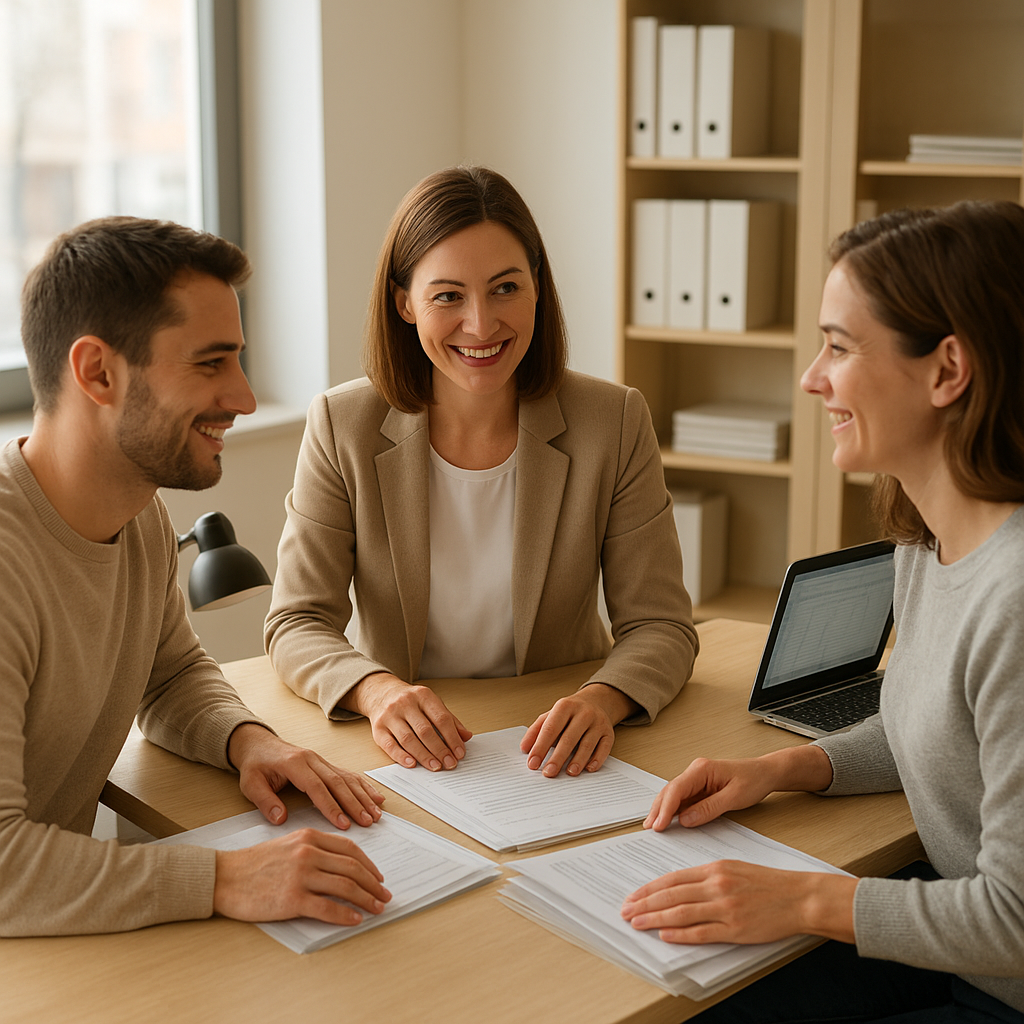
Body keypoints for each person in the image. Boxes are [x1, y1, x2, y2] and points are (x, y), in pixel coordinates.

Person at [620, 200, 1024, 1023]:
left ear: (948, 371)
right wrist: (780, 771)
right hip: (959, 953)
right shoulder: (928, 539)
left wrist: (803, 902)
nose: (811, 376)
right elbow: (941, 727)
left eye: (838, 346)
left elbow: (1014, 923)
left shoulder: (1014, 602)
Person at [0, 216, 391, 938]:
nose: (244, 397)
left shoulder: (138, 513)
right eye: (211, 363)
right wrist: (227, 877)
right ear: (98, 373)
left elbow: (171, 673)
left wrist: (250, 741)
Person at [265, 165, 697, 779]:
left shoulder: (614, 420)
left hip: (560, 752)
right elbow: (296, 621)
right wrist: (375, 691)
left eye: (504, 288)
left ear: (538, 288)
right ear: (404, 304)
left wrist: (606, 698)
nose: (480, 324)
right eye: (447, 296)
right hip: (413, 753)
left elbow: (662, 625)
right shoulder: (343, 424)